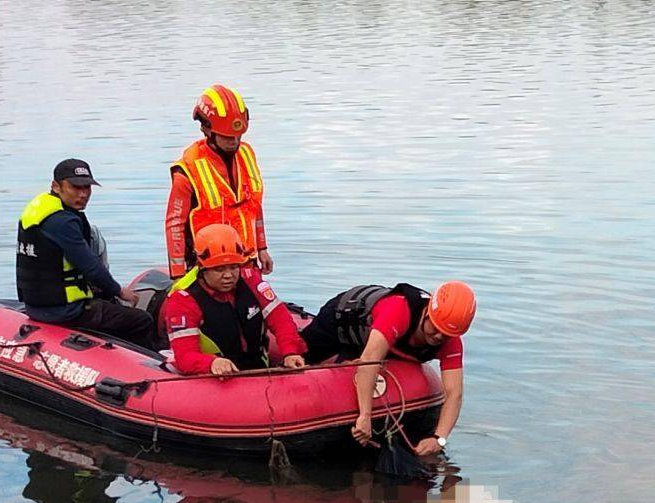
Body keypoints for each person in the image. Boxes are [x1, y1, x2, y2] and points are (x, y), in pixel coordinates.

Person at [300, 281, 476, 456]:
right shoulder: (398, 311)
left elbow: (454, 393)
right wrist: (365, 416)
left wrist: (439, 438)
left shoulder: (450, 340)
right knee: (300, 357)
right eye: (435, 328)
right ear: (427, 312)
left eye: (446, 335)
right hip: (343, 322)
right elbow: (369, 362)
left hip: (373, 344)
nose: (438, 336)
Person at [16, 159, 155, 349]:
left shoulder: (37, 211)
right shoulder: (63, 222)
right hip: (66, 311)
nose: (83, 194)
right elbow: (91, 267)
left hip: (37, 306)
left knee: (108, 305)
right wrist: (120, 291)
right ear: (56, 186)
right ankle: (149, 366)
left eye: (87, 187)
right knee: (141, 320)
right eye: (75, 187)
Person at [161, 224, 305, 375]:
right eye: (219, 269)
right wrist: (211, 363)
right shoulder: (183, 299)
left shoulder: (250, 280)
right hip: (213, 377)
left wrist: (290, 352)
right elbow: (185, 356)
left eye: (233, 267)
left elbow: (280, 319)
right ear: (202, 268)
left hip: (258, 368)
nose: (229, 275)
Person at [164, 84, 272, 280]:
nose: (235, 142)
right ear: (206, 129)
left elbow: (254, 207)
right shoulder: (188, 169)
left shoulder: (246, 155)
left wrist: (262, 247)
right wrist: (179, 274)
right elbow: (175, 225)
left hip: (246, 260)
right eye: (228, 137)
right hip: (207, 267)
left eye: (239, 136)